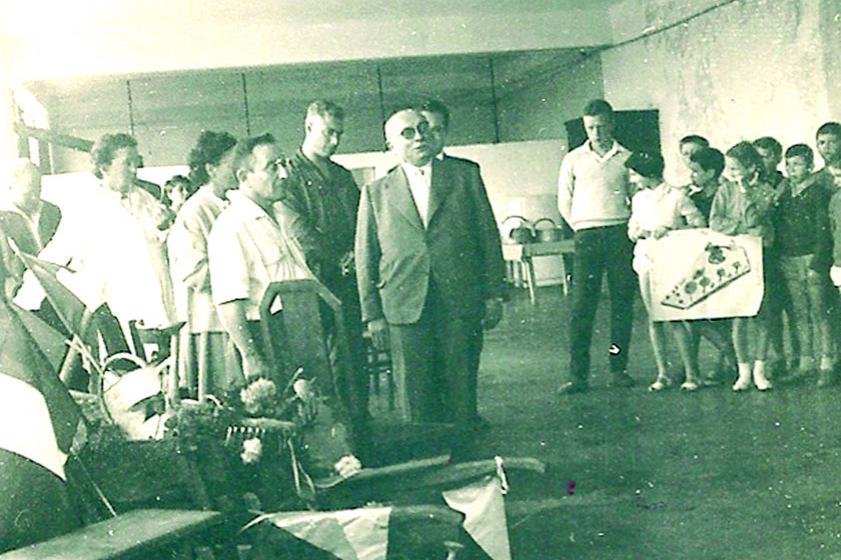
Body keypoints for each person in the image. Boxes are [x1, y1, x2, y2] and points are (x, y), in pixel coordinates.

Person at [355, 108, 505, 430]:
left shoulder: (464, 177)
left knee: (461, 387)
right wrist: (372, 314)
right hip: (404, 304)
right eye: (407, 133)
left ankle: (467, 456)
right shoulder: (375, 192)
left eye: (423, 128)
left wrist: (494, 294)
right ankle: (426, 458)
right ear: (390, 145)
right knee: (416, 392)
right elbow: (365, 256)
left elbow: (488, 236)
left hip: (459, 298)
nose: (419, 136)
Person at [277, 100, 369, 426]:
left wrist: (358, 254)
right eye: (328, 132)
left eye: (339, 134)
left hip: (350, 278)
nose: (335, 141)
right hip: (314, 282)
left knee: (353, 357)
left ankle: (359, 423)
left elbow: (363, 219)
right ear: (309, 128)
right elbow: (296, 227)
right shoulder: (288, 175)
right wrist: (335, 258)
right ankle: (333, 429)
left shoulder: (343, 176)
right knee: (322, 361)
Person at [208, 133, 312, 381]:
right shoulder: (231, 226)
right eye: (272, 167)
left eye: (283, 164)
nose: (284, 174)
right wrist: (251, 356)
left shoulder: (278, 215)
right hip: (267, 336)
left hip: (299, 329)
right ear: (244, 177)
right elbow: (228, 302)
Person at [557, 99, 636, 394]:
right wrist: (581, 225)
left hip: (619, 234)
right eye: (591, 127)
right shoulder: (573, 160)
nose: (597, 133)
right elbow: (564, 200)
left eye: (602, 126)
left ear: (612, 124)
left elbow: (635, 197)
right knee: (581, 306)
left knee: (622, 304)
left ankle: (619, 369)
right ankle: (578, 375)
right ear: (584, 127)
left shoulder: (626, 157)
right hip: (587, 235)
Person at [167, 131, 241, 396]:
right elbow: (195, 273)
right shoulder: (194, 211)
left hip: (238, 319)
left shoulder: (234, 203)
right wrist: (241, 273)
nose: (240, 168)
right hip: (211, 326)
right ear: (211, 168)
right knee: (223, 398)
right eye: (233, 163)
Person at [626, 151, 706, 391]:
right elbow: (632, 229)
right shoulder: (639, 199)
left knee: (675, 317)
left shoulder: (676, 196)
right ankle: (663, 374)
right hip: (646, 261)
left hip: (671, 262)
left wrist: (669, 230)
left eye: (635, 174)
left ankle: (692, 374)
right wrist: (638, 233)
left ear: (648, 173)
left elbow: (698, 224)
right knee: (655, 319)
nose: (632, 179)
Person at [710, 141, 777, 391]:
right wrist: (740, 231)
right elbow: (715, 221)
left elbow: (755, 219)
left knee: (762, 313)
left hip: (762, 256)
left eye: (736, 168)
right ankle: (743, 370)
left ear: (751, 167)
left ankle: (760, 369)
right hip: (735, 257)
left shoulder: (766, 190)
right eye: (729, 169)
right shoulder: (724, 191)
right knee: (739, 314)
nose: (731, 173)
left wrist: (746, 191)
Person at [685, 147, 737, 382]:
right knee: (693, 312)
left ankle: (725, 362)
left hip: (723, 259)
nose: (691, 176)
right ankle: (727, 351)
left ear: (712, 172)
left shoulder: (727, 195)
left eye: (696, 171)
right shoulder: (693, 199)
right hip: (698, 260)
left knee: (724, 313)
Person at [0, 159, 62, 301]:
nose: (35, 197)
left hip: (55, 285)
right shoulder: (2, 219)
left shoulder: (52, 211)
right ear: (11, 187)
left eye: (38, 190)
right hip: (22, 290)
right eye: (28, 193)